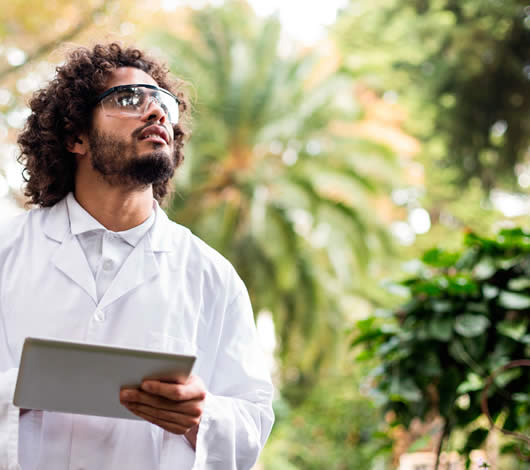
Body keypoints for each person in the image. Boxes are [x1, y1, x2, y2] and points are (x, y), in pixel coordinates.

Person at [0, 43, 274, 470]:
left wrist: (202, 417)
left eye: (162, 102)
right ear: (76, 136)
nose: (155, 112)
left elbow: (252, 418)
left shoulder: (212, 277)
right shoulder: (6, 253)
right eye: (129, 99)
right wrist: (21, 389)